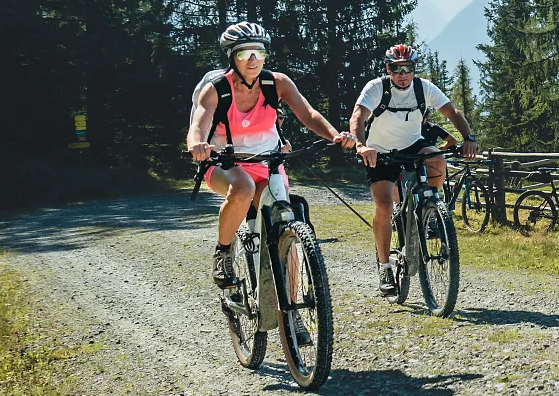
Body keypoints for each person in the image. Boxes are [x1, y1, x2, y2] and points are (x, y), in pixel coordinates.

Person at [186, 22, 354, 287]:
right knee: (243, 188)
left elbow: (308, 114)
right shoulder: (217, 89)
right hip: (224, 163)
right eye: (244, 53)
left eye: (259, 52)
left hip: (268, 161)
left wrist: (334, 135)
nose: (253, 60)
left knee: (283, 219)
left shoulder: (276, 83)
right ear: (232, 57)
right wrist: (197, 144)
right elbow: (199, 123)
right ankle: (224, 251)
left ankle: (293, 303)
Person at [350, 45, 479, 296]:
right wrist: (361, 145)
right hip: (379, 152)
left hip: (411, 146)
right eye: (396, 69)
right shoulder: (376, 88)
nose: (402, 74)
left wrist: (468, 137)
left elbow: (452, 111)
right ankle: (385, 266)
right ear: (388, 70)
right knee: (385, 207)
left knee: (436, 157)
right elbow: (358, 117)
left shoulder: (423, 88)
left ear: (413, 69)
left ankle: (431, 208)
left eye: (407, 69)